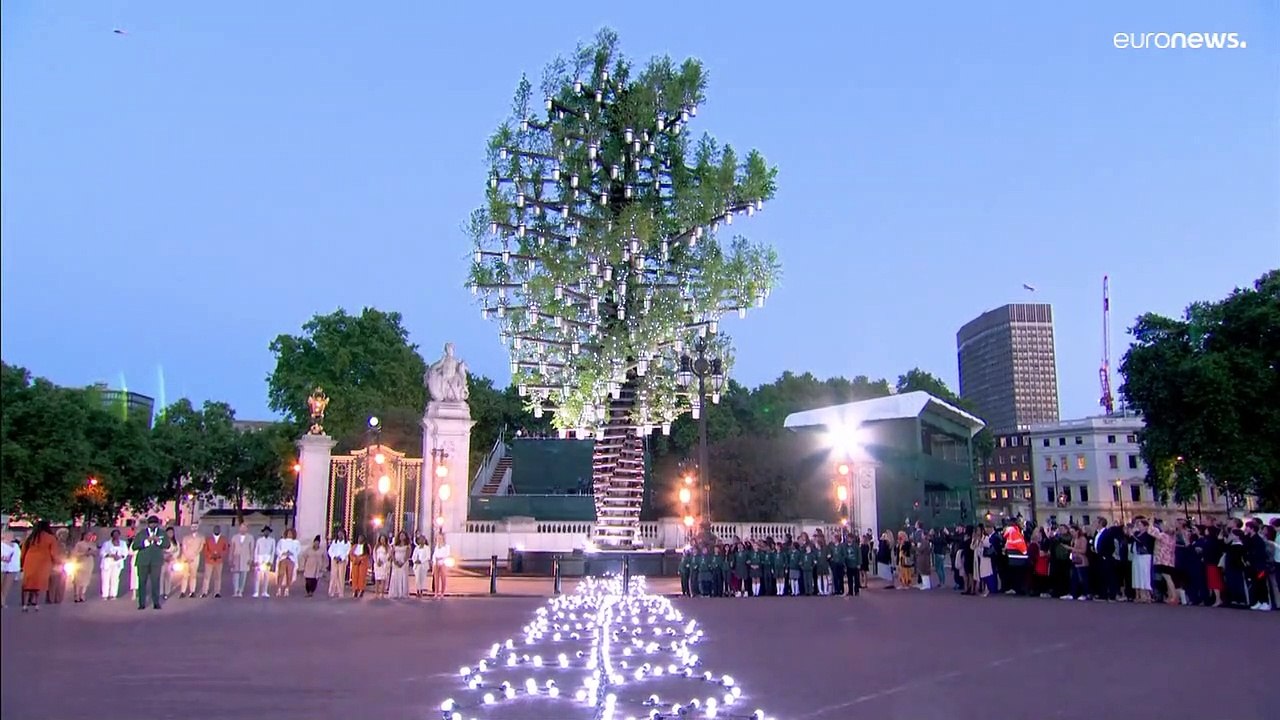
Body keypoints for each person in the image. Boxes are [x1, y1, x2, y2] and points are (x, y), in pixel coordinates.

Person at [131, 516, 170, 610]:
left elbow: (167, 545)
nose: (153, 525)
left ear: (158, 524)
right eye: (151, 523)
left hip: (156, 561)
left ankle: (156, 602)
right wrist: (146, 541)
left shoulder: (162, 533)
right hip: (143, 561)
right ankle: (142, 603)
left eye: (155, 523)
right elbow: (134, 546)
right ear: (148, 524)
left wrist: (158, 541)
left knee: (155, 582)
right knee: (142, 582)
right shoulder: (141, 533)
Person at [19, 521, 60, 612]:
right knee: (38, 583)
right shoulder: (50, 538)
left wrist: (21, 563)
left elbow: (23, 551)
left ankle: (25, 604)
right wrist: (58, 562)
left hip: (29, 561)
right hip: (43, 563)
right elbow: (54, 553)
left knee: (28, 583)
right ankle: (36, 603)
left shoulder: (31, 537)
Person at [201, 524, 229, 598]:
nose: (217, 530)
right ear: (213, 530)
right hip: (209, 561)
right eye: (215, 529)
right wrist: (210, 555)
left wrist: (220, 555)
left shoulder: (223, 539)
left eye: (218, 529)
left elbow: (226, 549)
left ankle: (217, 592)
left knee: (218, 577)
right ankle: (204, 591)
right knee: (207, 576)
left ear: (220, 530)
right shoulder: (208, 539)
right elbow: (205, 549)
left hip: (219, 561)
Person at [99, 529, 128, 600]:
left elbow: (125, 553)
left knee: (115, 579)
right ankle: (105, 594)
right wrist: (111, 555)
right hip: (107, 563)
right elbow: (102, 553)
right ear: (112, 535)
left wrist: (120, 557)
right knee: (106, 579)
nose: (116, 536)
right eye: (114, 534)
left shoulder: (123, 543)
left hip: (117, 563)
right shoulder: (106, 543)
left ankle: (113, 594)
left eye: (117, 534)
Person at [69, 531, 98, 602]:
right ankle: (76, 595)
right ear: (84, 536)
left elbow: (96, 553)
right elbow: (74, 553)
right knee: (78, 579)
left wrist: (92, 553)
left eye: (91, 535)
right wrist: (84, 553)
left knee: (86, 579)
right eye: (88, 535)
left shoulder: (92, 544)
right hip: (80, 563)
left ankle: (82, 594)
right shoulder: (79, 544)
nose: (90, 537)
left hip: (89, 563)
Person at [228, 524, 254, 598]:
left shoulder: (250, 537)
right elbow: (231, 549)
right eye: (241, 528)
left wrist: (251, 559)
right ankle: (235, 591)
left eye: (244, 528)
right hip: (236, 558)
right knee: (235, 575)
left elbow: (251, 549)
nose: (242, 529)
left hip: (245, 558)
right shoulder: (234, 537)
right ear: (239, 528)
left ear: (247, 529)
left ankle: (240, 591)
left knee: (243, 575)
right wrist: (230, 558)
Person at [179, 524, 204, 598]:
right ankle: (183, 591)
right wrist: (187, 556)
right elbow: (184, 547)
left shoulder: (201, 537)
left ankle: (192, 591)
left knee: (193, 575)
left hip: (195, 557)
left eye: (195, 527)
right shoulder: (186, 537)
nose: (194, 528)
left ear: (198, 527)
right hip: (185, 557)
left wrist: (193, 555)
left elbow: (200, 548)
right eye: (192, 527)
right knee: (185, 575)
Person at [275, 528, 301, 597]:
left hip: (291, 559)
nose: (290, 534)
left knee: (289, 575)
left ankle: (287, 589)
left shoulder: (296, 542)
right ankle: (279, 588)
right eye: (288, 533)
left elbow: (298, 551)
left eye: (291, 533)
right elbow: (277, 549)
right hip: (283, 558)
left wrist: (292, 553)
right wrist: (283, 553)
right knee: (281, 574)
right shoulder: (282, 541)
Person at [253, 527, 277, 598]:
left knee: (266, 576)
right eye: (265, 531)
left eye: (268, 531)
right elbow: (256, 550)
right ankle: (256, 591)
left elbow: (273, 551)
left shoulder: (272, 540)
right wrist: (256, 560)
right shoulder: (259, 540)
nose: (266, 533)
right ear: (263, 532)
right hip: (260, 558)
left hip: (267, 558)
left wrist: (271, 561)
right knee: (257, 576)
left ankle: (265, 591)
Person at [327, 529, 351, 598]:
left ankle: (340, 592)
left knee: (341, 576)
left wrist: (341, 558)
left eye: (341, 534)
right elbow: (330, 550)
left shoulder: (347, 543)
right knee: (333, 575)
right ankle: (332, 591)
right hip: (334, 560)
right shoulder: (334, 542)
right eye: (339, 534)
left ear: (344, 535)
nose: (340, 535)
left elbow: (347, 552)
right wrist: (334, 557)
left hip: (342, 561)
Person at [2, 531, 22, 608]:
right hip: (2, 567)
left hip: (12, 568)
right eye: (8, 535)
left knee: (6, 587)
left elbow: (17, 556)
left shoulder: (16, 545)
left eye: (11, 535)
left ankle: (3, 601)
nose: (10, 537)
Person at [389, 531, 411, 599]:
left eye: (403, 535)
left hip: (404, 563)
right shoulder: (395, 545)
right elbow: (392, 553)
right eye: (400, 535)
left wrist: (402, 562)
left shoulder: (407, 545)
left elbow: (408, 554)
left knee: (403, 576)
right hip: (396, 562)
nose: (402, 537)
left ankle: (403, 593)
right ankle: (395, 592)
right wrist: (395, 561)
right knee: (395, 576)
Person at [349, 534, 370, 599]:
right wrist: (354, 559)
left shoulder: (367, 546)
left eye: (361, 538)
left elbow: (367, 555)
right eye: (359, 538)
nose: (359, 539)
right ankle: (355, 590)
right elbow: (351, 554)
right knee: (355, 576)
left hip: (362, 564)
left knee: (362, 577)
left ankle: (361, 589)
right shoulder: (355, 546)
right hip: (355, 563)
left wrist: (360, 559)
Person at [431, 531, 450, 599]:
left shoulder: (446, 546)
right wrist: (434, 561)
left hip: (443, 563)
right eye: (438, 538)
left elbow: (447, 555)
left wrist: (440, 558)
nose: (439, 539)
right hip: (436, 563)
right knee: (436, 579)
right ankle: (436, 593)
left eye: (440, 538)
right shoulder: (436, 546)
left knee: (443, 578)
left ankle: (442, 593)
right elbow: (434, 555)